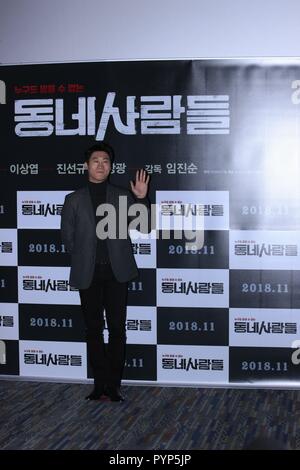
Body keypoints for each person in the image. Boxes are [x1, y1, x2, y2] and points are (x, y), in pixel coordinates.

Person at [61, 142, 150, 402]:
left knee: (117, 330)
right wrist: (87, 256)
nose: (101, 165)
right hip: (88, 274)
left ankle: (113, 385)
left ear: (111, 167)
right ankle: (99, 384)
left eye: (106, 161)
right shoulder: (73, 199)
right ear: (87, 165)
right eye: (96, 160)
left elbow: (144, 227)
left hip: (116, 273)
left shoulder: (123, 196)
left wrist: (142, 198)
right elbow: (68, 238)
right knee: (93, 330)